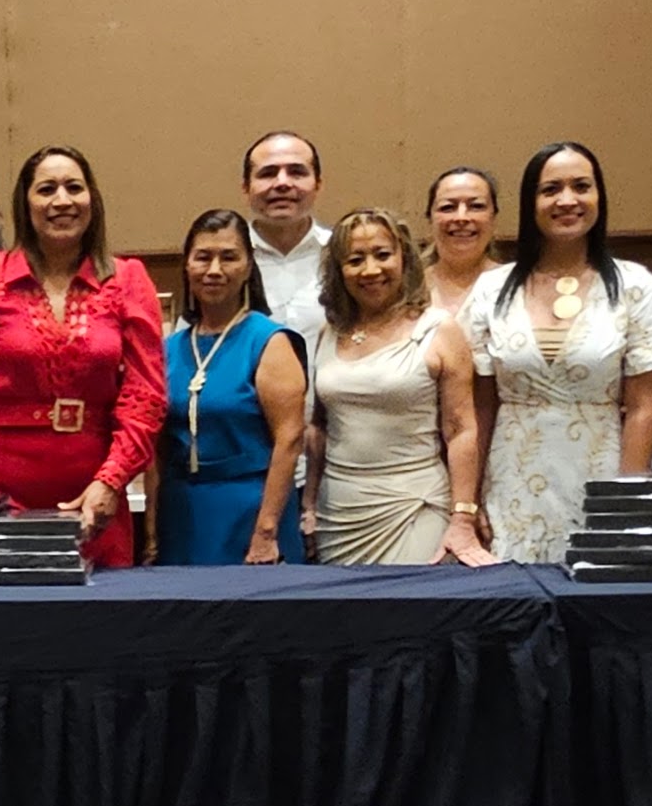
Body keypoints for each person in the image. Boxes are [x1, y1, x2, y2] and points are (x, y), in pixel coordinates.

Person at [0, 146, 169, 567]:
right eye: (46, 189)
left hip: (93, 493)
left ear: (92, 199)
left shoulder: (129, 279)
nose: (62, 200)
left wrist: (112, 480)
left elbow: (145, 397)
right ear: (25, 203)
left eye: (74, 188)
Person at [464, 142, 652, 561]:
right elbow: (481, 407)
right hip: (511, 478)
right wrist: (470, 500)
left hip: (599, 473)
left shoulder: (635, 287)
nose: (567, 200)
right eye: (551, 189)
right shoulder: (492, 290)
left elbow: (645, 407)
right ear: (531, 202)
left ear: (599, 196)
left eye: (581, 186)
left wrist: (625, 502)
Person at [306, 209, 496, 566]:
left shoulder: (439, 329)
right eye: (355, 260)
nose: (371, 270)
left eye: (382, 255)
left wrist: (463, 516)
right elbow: (319, 426)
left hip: (413, 506)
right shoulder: (328, 333)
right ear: (338, 270)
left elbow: (461, 430)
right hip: (339, 512)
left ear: (404, 258)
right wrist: (309, 505)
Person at [152, 209, 306, 566]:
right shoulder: (169, 349)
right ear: (187, 266)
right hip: (182, 512)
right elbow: (157, 446)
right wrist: (152, 528)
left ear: (249, 266)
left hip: (251, 511)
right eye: (203, 257)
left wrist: (266, 530)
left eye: (229, 257)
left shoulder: (268, 341)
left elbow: (290, 438)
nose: (214, 269)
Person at [240, 131, 332, 353]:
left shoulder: (343, 254)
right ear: (246, 188)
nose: (282, 183)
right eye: (268, 173)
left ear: (318, 185)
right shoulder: (224, 262)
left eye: (297, 172)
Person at [422, 167, 504, 322]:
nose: (462, 217)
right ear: (430, 219)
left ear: (493, 217)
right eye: (448, 207)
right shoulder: (406, 290)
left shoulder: (517, 286)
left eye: (476, 206)